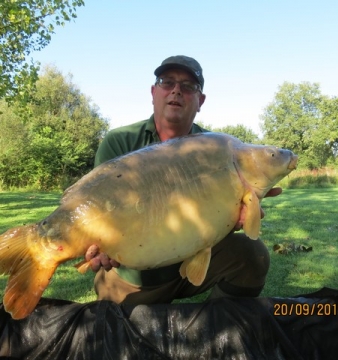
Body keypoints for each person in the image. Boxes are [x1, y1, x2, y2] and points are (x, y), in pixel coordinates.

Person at [85, 55, 280, 304]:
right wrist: (98, 245)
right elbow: (96, 209)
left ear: (200, 101)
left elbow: (221, 213)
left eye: (188, 86)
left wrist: (240, 213)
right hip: (132, 276)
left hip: (196, 262)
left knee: (253, 255)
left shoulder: (217, 148)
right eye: (167, 82)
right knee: (124, 336)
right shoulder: (119, 142)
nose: (176, 90)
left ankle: (217, 328)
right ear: (154, 91)